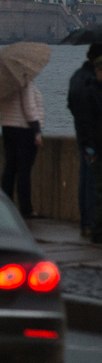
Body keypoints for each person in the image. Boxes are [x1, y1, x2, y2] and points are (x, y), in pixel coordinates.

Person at [0, 77, 45, 219]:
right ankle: (26, 209)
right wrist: (36, 129)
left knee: (10, 168)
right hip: (24, 129)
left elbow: (1, 105)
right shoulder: (25, 81)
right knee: (24, 170)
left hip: (7, 126)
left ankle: (6, 205)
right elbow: (29, 107)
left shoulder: (4, 82)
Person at [69, 48, 102, 239]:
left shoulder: (76, 77)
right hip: (93, 141)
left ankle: (86, 223)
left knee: (85, 181)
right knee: (94, 185)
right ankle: (92, 225)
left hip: (83, 138)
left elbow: (70, 105)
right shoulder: (92, 83)